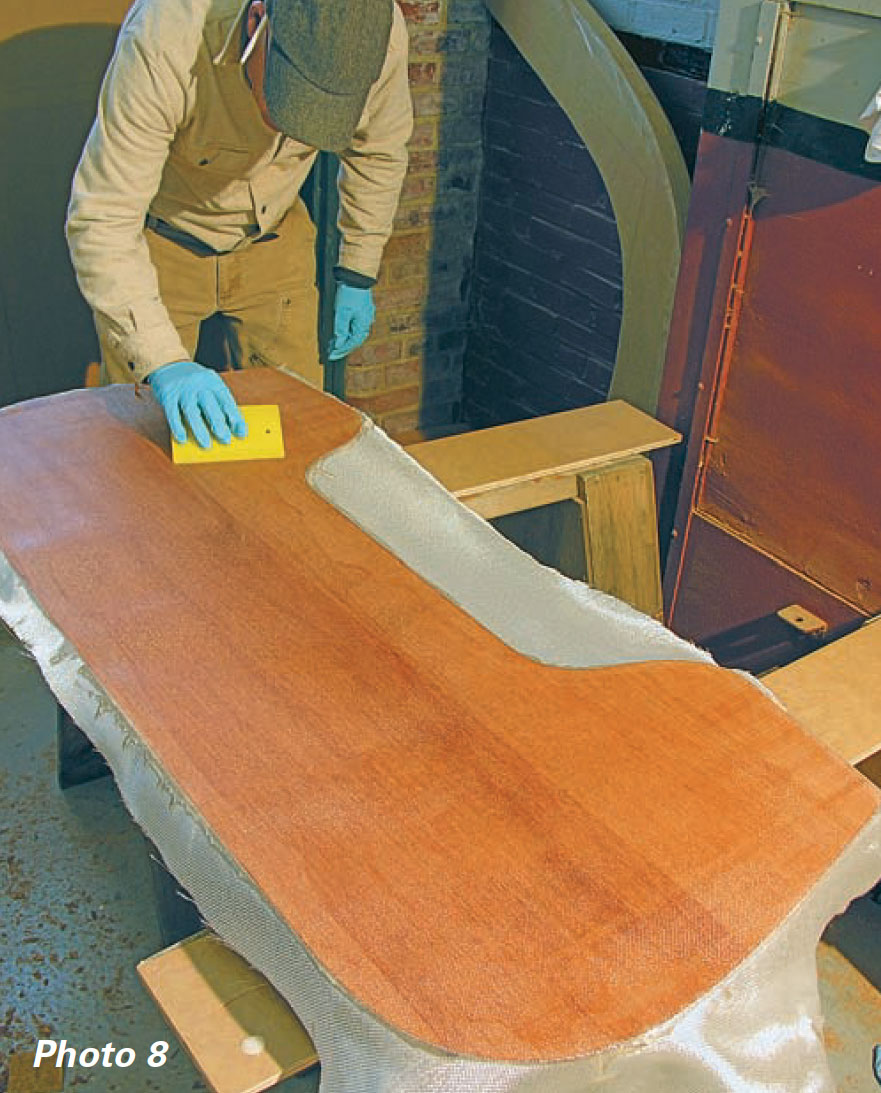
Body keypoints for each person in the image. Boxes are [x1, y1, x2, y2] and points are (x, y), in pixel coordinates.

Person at [66, 0, 412, 448]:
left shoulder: (378, 33)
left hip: (276, 238)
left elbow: (379, 152)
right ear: (256, 22)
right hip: (162, 242)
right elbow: (103, 215)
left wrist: (358, 271)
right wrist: (164, 363)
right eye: (289, 99)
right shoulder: (168, 33)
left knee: (299, 426)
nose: (291, 128)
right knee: (141, 436)